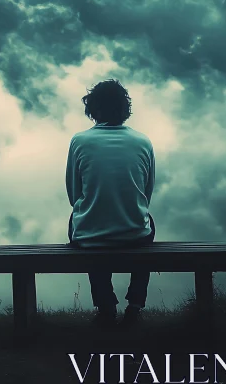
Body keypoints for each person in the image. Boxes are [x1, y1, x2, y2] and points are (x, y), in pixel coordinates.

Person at [66, 79, 156, 328]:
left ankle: (106, 306)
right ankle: (135, 306)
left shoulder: (79, 141)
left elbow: (74, 194)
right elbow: (146, 193)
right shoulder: (143, 141)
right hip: (134, 234)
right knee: (148, 224)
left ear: (92, 109)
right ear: (124, 109)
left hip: (92, 236)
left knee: (84, 220)